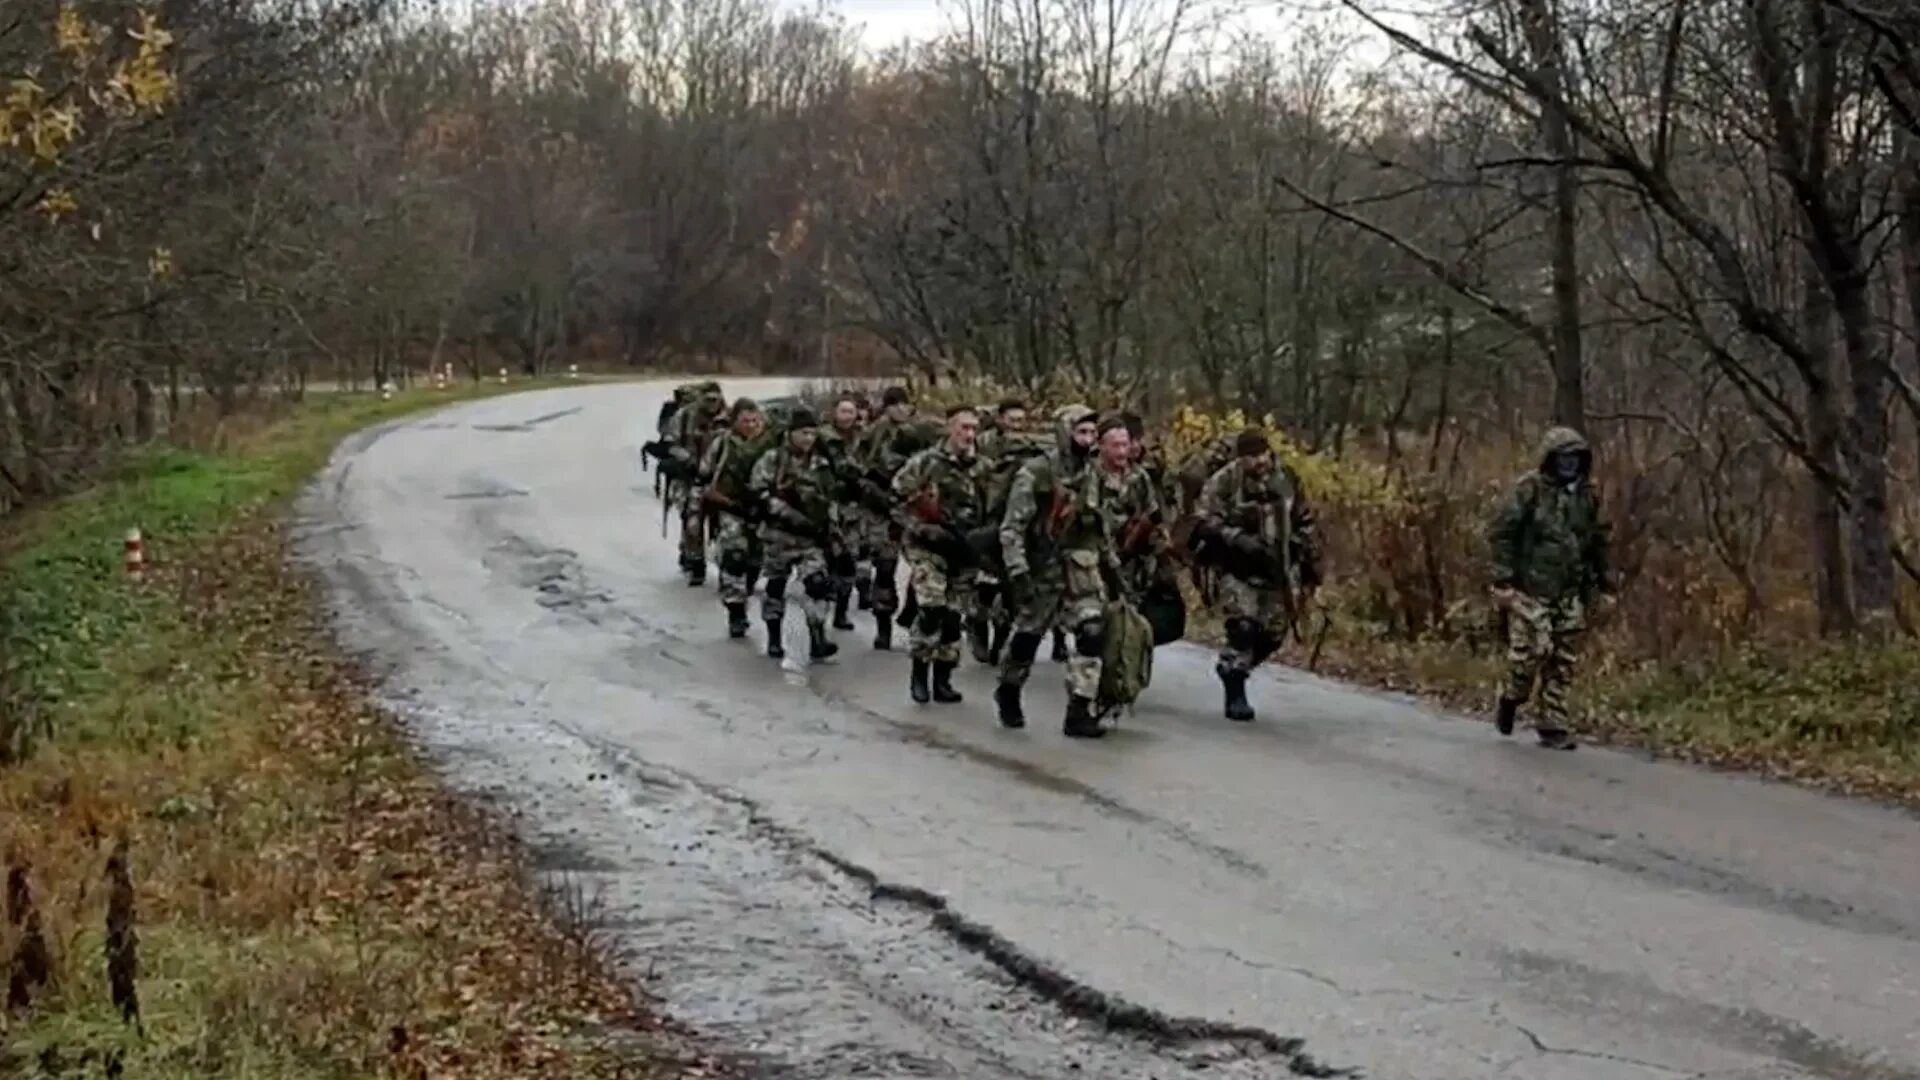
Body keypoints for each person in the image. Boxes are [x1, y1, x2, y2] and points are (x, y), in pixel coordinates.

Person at [1486, 426, 1614, 750]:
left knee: (1563, 659)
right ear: (1551, 459)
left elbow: (1599, 542)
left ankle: (1553, 723)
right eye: (1562, 458)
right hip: (1530, 589)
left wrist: (1605, 584)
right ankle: (1512, 696)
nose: (1569, 464)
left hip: (1570, 590)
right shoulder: (1529, 490)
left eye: (1575, 458)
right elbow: (1502, 532)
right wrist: (1503, 579)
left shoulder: (1588, 495)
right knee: (1531, 653)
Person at [994, 405, 1111, 734]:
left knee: (1091, 632)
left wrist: (1111, 570)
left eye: (1092, 433)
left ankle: (1078, 710)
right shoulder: (1037, 471)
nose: (1087, 440)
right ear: (1065, 432)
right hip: (1041, 568)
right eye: (1081, 432)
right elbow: (1012, 527)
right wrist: (1017, 570)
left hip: (1080, 568)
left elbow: (1099, 529)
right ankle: (1008, 690)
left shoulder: (1093, 474)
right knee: (1027, 638)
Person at [1194, 427, 1321, 722]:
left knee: (1273, 634)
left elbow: (1305, 518)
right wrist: (1236, 537)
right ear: (1241, 459)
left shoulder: (1287, 478)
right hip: (1237, 567)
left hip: (1279, 567)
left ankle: (1235, 666)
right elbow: (1203, 519)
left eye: (1262, 454)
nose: (1259, 461)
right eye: (1251, 457)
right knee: (1243, 627)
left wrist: (1310, 561)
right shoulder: (1225, 481)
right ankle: (1235, 688)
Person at [890, 404, 986, 705]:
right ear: (949, 429)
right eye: (963, 428)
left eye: (973, 429)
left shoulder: (983, 468)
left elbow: (993, 508)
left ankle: (943, 678)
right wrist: (920, 528)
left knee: (953, 616)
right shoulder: (925, 463)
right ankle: (919, 672)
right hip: (927, 547)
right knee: (931, 608)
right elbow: (896, 500)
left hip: (964, 549)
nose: (969, 435)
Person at [750, 407, 842, 662]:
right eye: (803, 433)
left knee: (817, 585)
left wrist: (833, 531)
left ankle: (817, 638)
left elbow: (831, 499)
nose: (808, 439)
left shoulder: (822, 463)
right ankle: (774, 638)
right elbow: (759, 492)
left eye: (812, 433)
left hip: (811, 539)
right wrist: (786, 513)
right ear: (790, 433)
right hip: (778, 536)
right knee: (776, 587)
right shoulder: (773, 460)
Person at [698, 399, 773, 638]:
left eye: (755, 421)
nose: (751, 426)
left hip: (762, 511)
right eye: (745, 421)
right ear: (735, 422)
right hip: (730, 508)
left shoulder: (769, 446)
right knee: (734, 557)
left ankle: (745, 590)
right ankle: (736, 612)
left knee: (756, 561)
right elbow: (705, 472)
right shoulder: (723, 444)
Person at [852, 386, 918, 650]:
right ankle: (883, 625)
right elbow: (859, 468)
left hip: (912, 508)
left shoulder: (918, 431)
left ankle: (912, 612)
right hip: (882, 509)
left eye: (905, 405)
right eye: (896, 405)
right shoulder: (874, 433)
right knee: (885, 566)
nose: (901, 410)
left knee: (924, 567)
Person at [817, 394, 870, 630]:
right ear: (834, 413)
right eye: (843, 411)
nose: (848, 416)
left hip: (855, 507)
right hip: (829, 504)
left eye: (852, 411)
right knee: (828, 560)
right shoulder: (822, 439)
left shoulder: (864, 438)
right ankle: (820, 614)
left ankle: (841, 611)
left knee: (849, 559)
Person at [666, 380, 728, 586]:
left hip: (720, 481)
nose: (712, 404)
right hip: (689, 478)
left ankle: (725, 565)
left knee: (722, 525)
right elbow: (670, 443)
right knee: (692, 521)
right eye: (707, 399)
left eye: (715, 399)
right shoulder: (684, 416)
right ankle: (695, 562)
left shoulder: (729, 418)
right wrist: (687, 459)